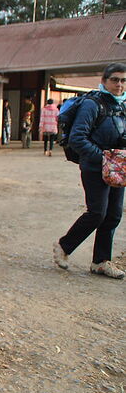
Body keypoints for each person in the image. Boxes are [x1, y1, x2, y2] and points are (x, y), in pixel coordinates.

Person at [53, 62, 126, 280]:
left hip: (117, 168)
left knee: (113, 214)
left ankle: (100, 262)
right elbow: (77, 138)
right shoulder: (93, 105)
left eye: (123, 80)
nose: (119, 85)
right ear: (104, 81)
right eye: (115, 80)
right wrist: (104, 158)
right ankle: (64, 246)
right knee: (97, 213)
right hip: (95, 167)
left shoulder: (122, 106)